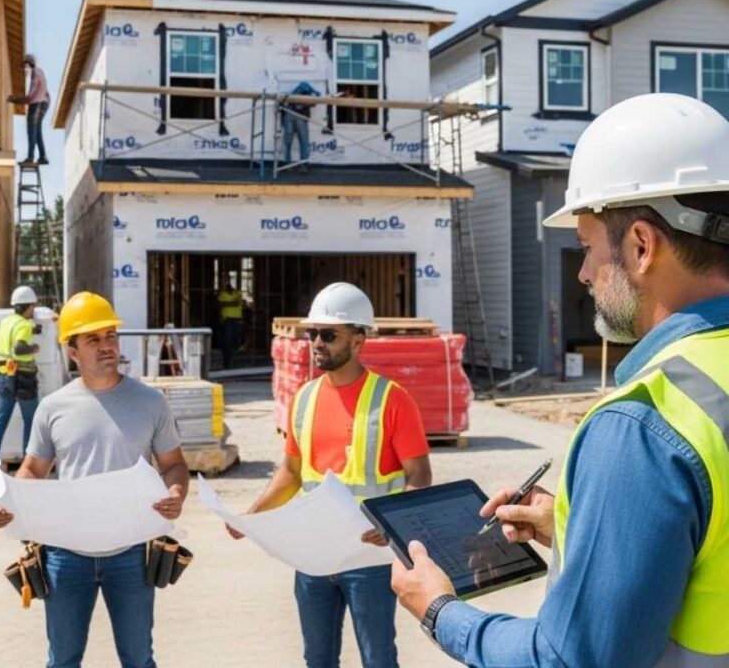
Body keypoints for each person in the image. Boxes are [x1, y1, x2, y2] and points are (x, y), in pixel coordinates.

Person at [391, 93, 729, 667]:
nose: (584, 273)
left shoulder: (645, 425)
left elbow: (573, 660)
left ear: (642, 247)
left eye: (588, 248)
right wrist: (582, 528)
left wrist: (440, 611)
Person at [228, 282, 432, 668]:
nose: (317, 342)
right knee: (317, 659)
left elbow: (419, 476)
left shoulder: (392, 399)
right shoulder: (303, 399)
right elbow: (290, 472)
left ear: (358, 340)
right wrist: (250, 515)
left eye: (329, 334)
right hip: (314, 558)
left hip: (368, 558)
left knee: (378, 659)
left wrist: (393, 523)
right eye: (313, 334)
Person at [0, 291, 189, 668]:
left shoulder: (150, 402)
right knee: (62, 660)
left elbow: (174, 464)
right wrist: (8, 502)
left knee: (139, 660)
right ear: (73, 351)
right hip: (66, 554)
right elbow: (32, 470)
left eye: (110, 336)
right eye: (92, 339)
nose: (106, 346)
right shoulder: (54, 407)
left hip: (131, 551)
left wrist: (176, 491)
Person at [0, 285, 41, 478]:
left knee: (1, 421)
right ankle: (28, 466)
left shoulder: (6, 322)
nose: (33, 311)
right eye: (32, 307)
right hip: (23, 378)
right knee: (31, 422)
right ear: (27, 307)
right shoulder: (24, 325)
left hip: (4, 375)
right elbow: (18, 348)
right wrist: (33, 348)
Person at [10, 53, 50, 166]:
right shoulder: (40, 71)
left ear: (29, 64)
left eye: (25, 65)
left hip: (36, 104)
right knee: (37, 132)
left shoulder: (35, 73)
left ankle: (30, 157)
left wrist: (15, 99)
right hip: (44, 103)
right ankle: (42, 157)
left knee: (31, 131)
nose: (24, 69)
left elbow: (30, 96)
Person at [281, 81, 320, 163]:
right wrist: (315, 95)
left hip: (290, 114)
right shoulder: (307, 95)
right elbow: (315, 100)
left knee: (288, 141)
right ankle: (304, 165)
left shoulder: (293, 94)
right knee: (303, 141)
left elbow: (283, 104)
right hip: (298, 117)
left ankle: (288, 164)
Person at [216, 273, 244, 369]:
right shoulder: (222, 294)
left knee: (236, 342)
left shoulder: (237, 293)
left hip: (237, 320)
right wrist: (230, 303)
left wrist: (226, 303)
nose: (229, 286)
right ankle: (227, 362)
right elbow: (220, 305)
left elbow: (236, 303)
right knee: (227, 342)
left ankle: (234, 362)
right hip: (227, 320)